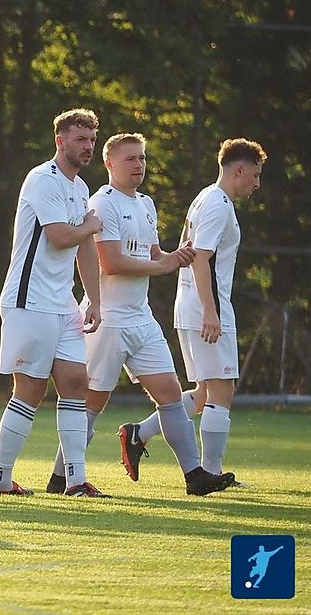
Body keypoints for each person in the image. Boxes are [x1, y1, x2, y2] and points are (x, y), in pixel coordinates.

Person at [44, 133, 235, 496]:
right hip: (108, 320)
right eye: (130, 159)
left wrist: (175, 257)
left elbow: (152, 254)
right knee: (92, 402)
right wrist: (162, 268)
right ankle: (61, 479)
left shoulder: (146, 203)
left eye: (142, 159)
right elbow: (112, 263)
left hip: (140, 317)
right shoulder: (103, 202)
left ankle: (195, 476)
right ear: (109, 164)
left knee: (170, 391)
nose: (138, 165)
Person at [119, 138, 266, 482]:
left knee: (203, 392)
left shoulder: (207, 197)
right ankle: (211, 473)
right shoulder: (217, 204)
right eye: (255, 176)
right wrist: (211, 312)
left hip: (190, 305)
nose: (257, 184)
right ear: (239, 170)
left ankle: (138, 434)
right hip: (205, 308)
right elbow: (201, 259)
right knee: (221, 390)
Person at [0, 108, 106, 498]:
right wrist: (88, 226)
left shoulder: (80, 188)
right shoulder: (42, 179)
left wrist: (94, 299)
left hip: (62, 303)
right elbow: (59, 236)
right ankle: (0, 480)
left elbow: (85, 246)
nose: (88, 146)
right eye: (80, 139)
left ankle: (75, 481)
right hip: (28, 300)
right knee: (31, 390)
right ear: (60, 140)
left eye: (91, 139)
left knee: (76, 383)